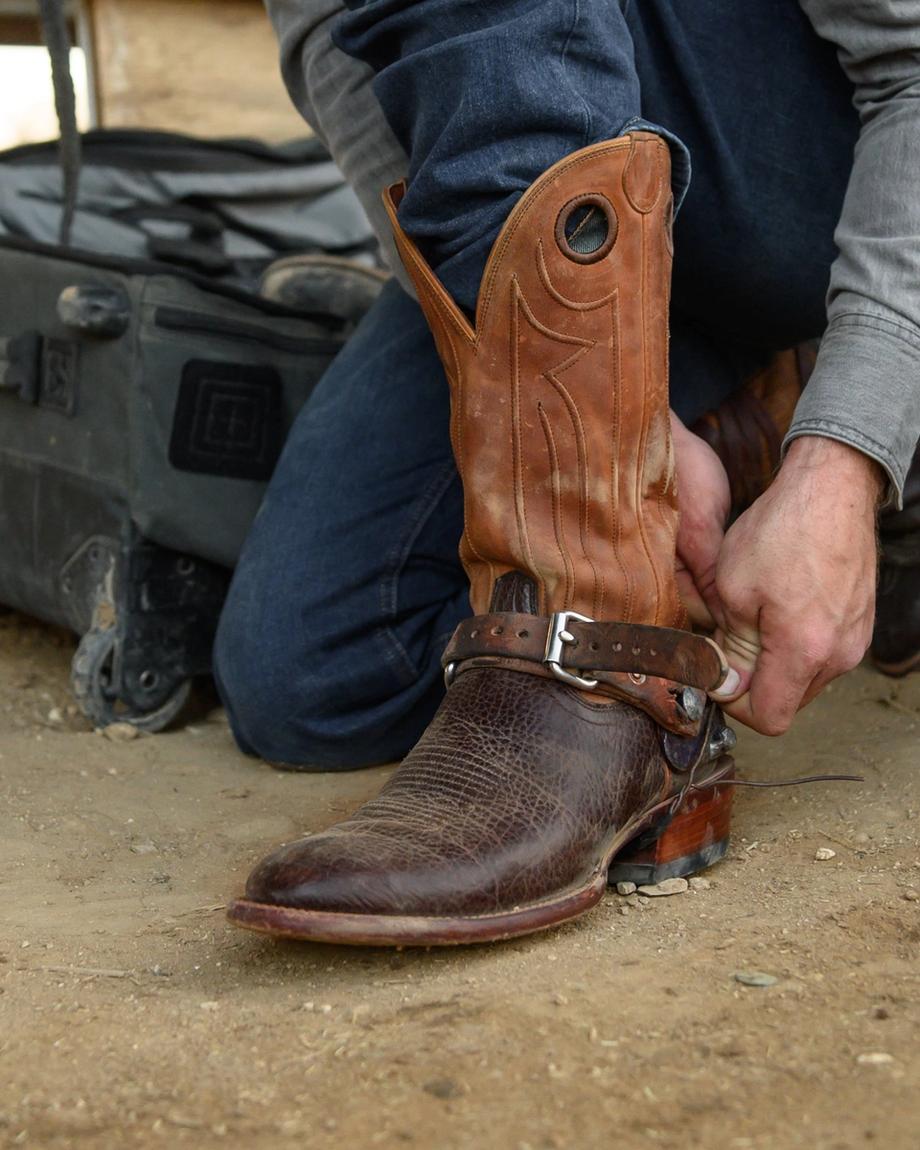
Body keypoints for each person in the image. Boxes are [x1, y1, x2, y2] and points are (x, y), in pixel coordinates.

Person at [215, 1, 919, 946]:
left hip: (804, 172)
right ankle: (743, 424)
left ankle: (594, 669)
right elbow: (336, 38)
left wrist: (846, 455)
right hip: (543, 199)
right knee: (313, 671)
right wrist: (609, 410)